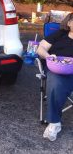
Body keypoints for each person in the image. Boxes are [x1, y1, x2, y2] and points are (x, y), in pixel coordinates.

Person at [37, 12, 73, 141]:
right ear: (69, 23)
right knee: (56, 83)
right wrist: (48, 56)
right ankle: (54, 123)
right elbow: (40, 48)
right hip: (56, 68)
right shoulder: (59, 34)